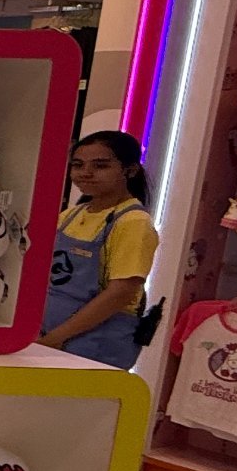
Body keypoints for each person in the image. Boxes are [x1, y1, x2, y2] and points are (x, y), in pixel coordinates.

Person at [39, 131, 158, 366]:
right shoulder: (71, 215)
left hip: (96, 343)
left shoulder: (133, 222)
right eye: (78, 165)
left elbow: (120, 293)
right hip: (50, 336)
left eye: (100, 166)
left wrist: (56, 338)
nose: (86, 173)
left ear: (130, 170)